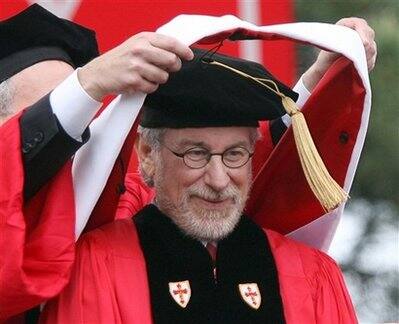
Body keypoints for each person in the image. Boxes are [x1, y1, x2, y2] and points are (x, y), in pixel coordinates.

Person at [40, 49, 359, 323]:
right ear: (148, 155)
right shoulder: (96, 265)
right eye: (196, 154)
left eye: (235, 154)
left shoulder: (312, 274)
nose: (219, 180)